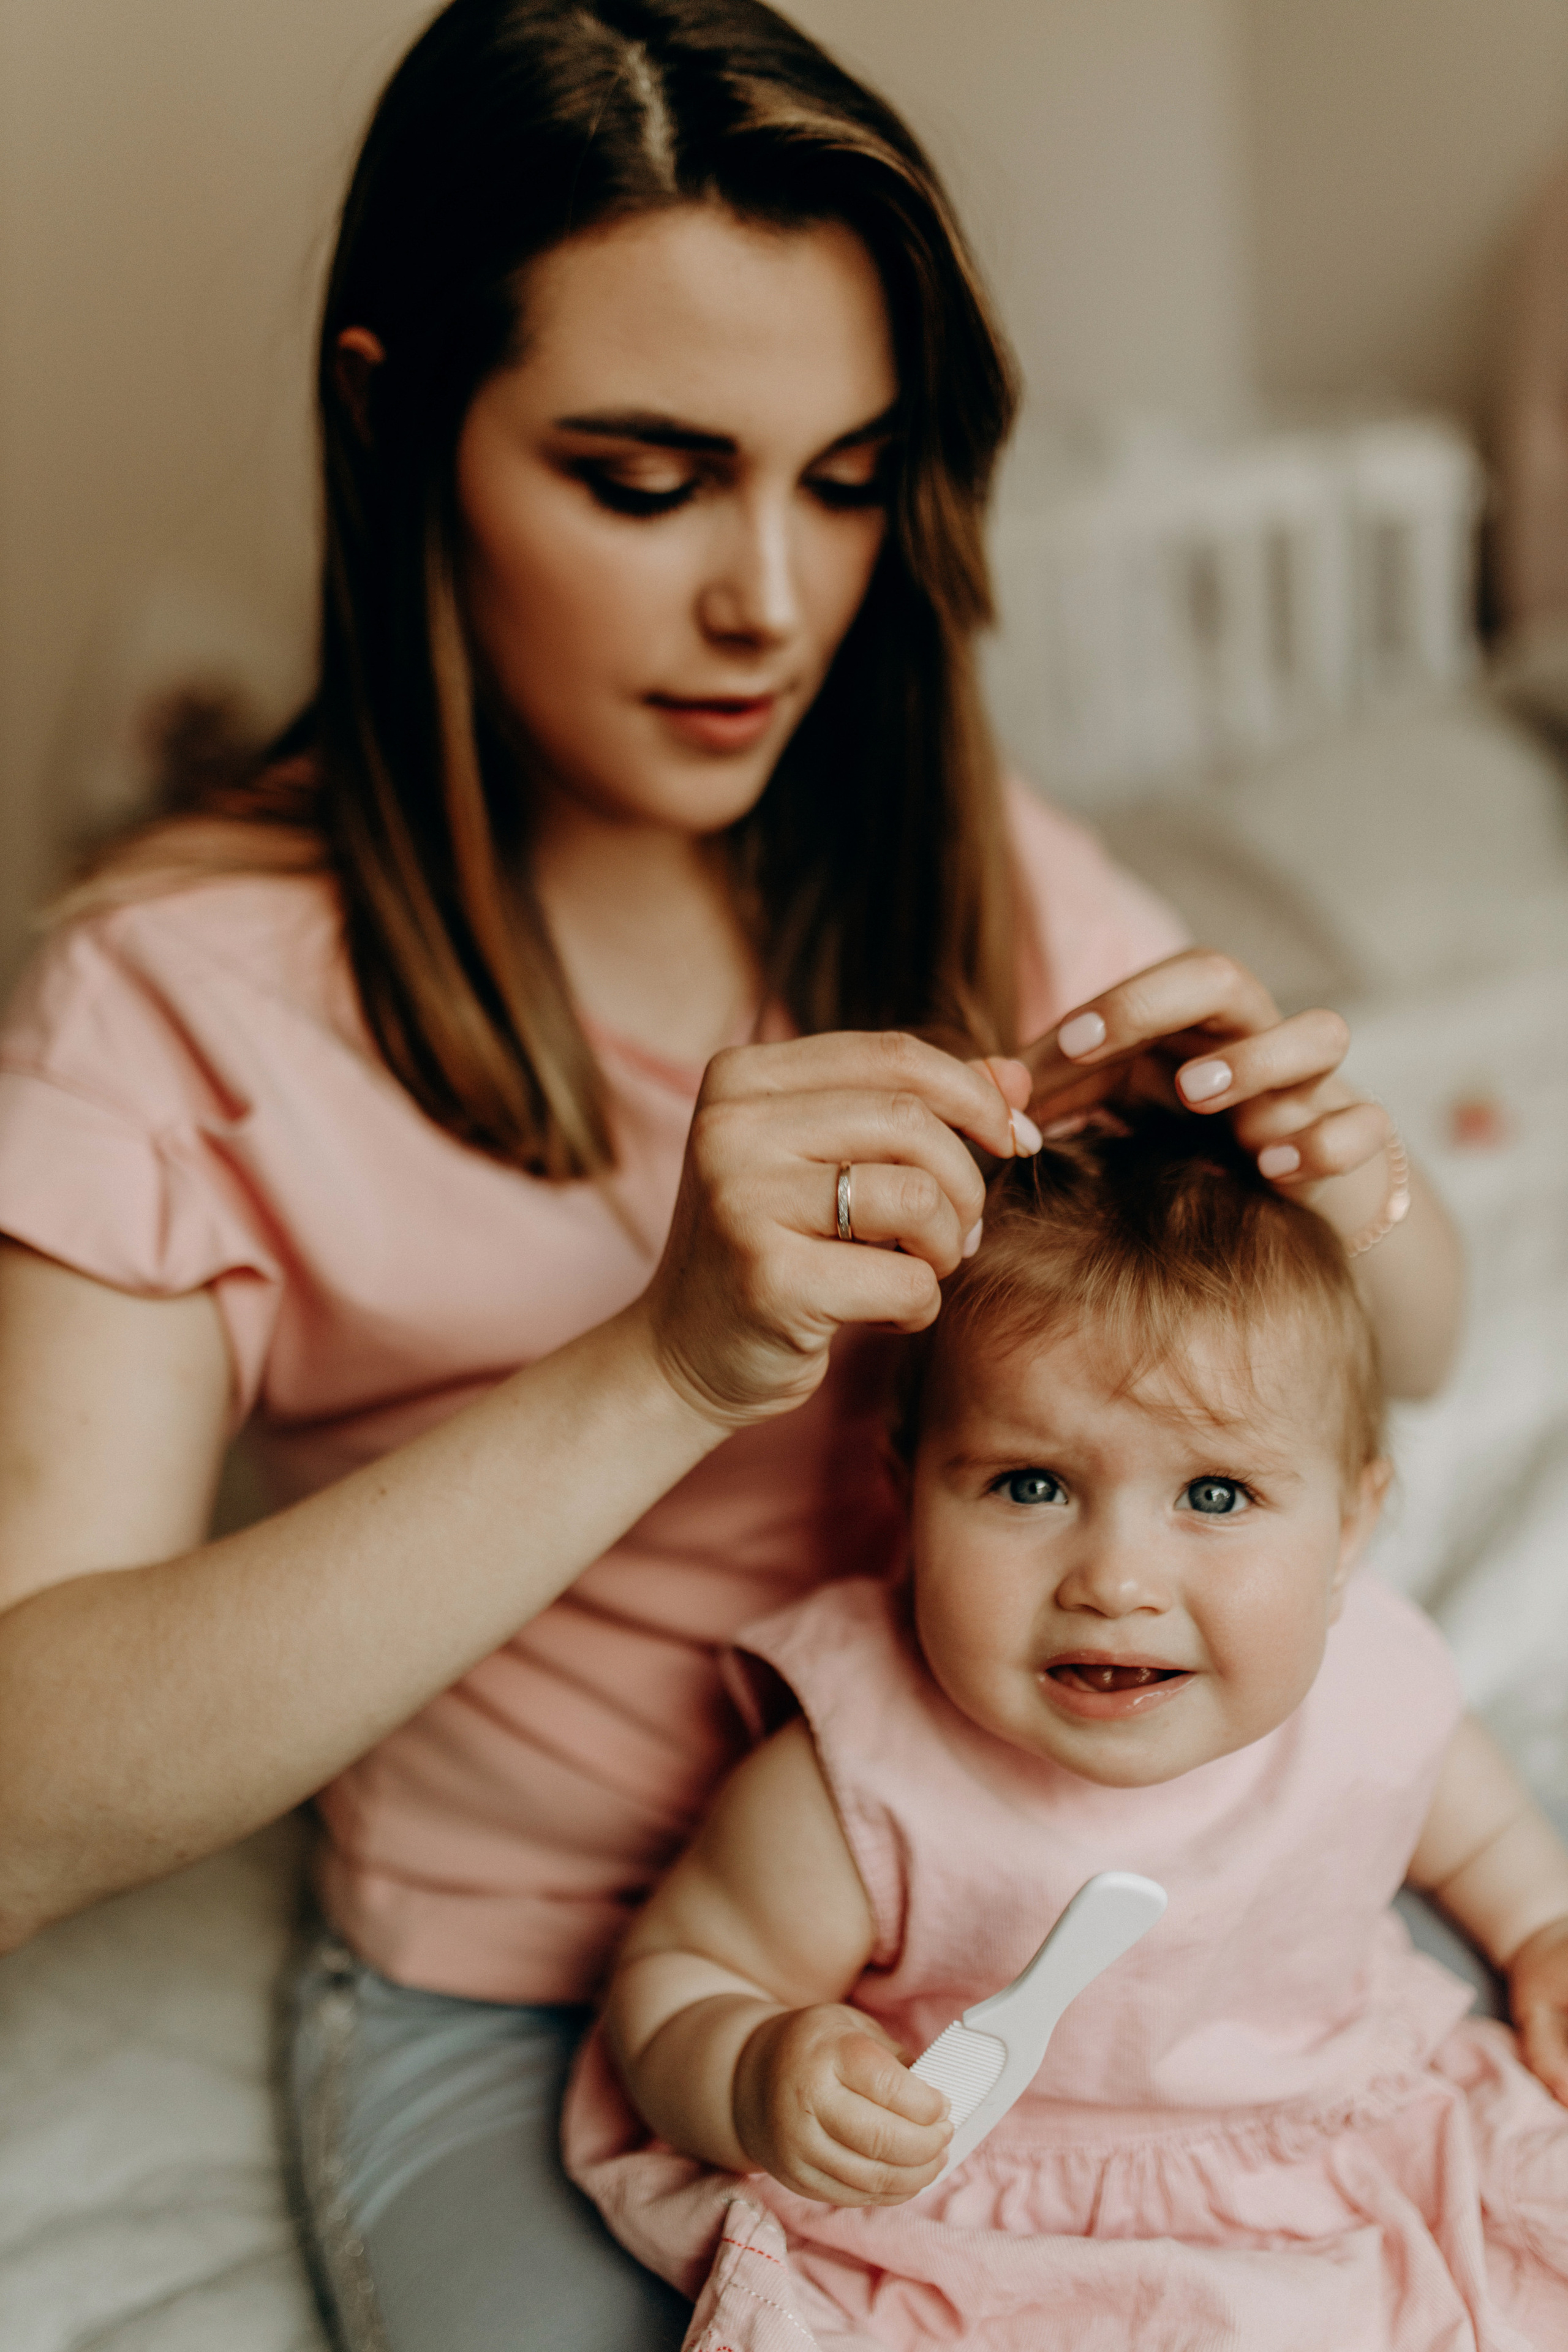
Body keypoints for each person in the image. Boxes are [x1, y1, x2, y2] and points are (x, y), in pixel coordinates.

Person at [0, 3, 1461, 2348]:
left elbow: (1403, 1362)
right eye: (649, 477)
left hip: (1074, 1894)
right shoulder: (170, 997)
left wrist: (1344, 1187)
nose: (774, 604)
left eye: (850, 477)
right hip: (550, 2005)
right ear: (394, 422)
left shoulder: (947, 858)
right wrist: (661, 1367)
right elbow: (20, 1791)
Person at [577, 1109, 1568, 2351]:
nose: (1114, 1578)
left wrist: (1541, 1932)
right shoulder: (864, 1772)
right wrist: (756, 2071)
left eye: (1213, 1494)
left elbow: (1472, 1840)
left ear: (1349, 1527)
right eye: (1027, 1485)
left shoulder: (1367, 1683)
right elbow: (676, 1982)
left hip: (1337, 2138)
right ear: (907, 1497)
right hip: (980, 2218)